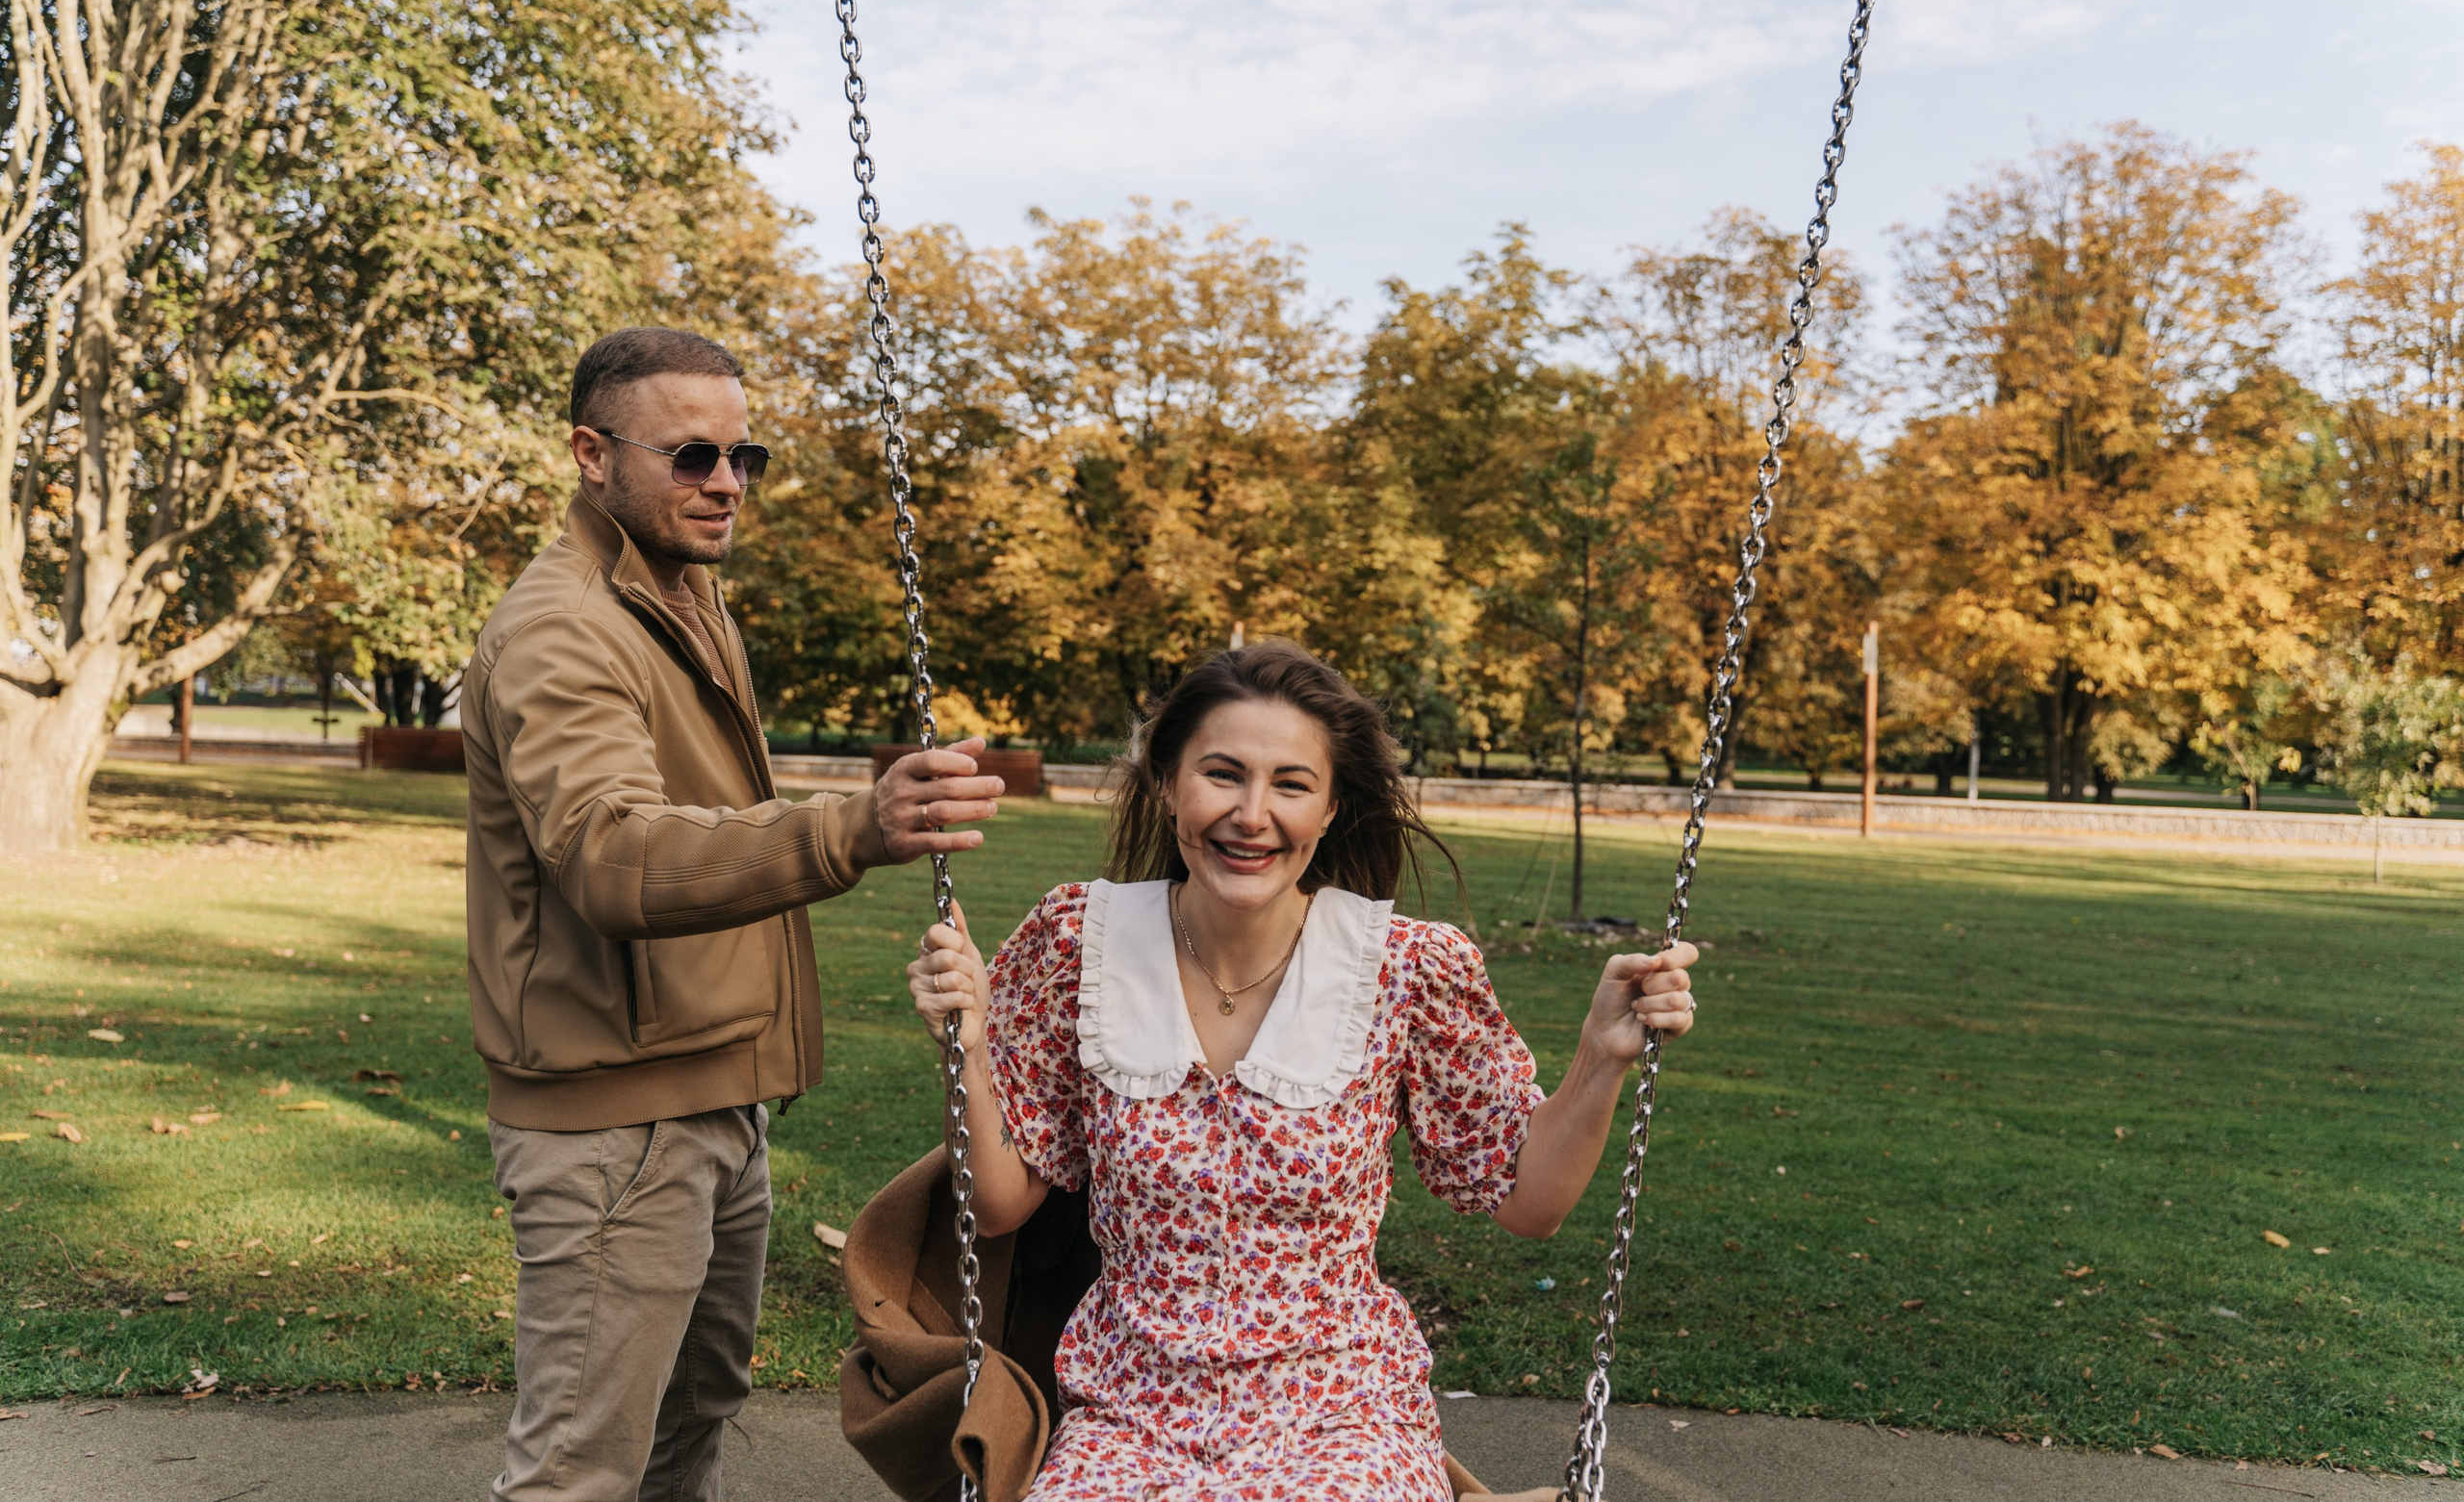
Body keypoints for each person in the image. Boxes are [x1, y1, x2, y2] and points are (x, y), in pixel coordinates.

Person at [906, 641, 1699, 1502]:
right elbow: (997, 1203)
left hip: (1337, 1410)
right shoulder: (1077, 944)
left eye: (1291, 784)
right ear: (1169, 782)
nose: (1252, 813)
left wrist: (1601, 1056)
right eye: (1222, 773)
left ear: (1329, 810)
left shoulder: (1401, 970)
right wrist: (971, 1044)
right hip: (1131, 1410)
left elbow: (1529, 1199)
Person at [462, 326, 1005, 1502]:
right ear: (589, 455)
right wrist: (849, 830)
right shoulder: (562, 630)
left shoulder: (684, 594)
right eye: (691, 455)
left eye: (743, 456)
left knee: (691, 1418)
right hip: (615, 1126)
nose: (726, 482)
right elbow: (611, 855)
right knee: (579, 1468)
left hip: (710, 1091)